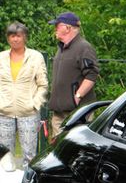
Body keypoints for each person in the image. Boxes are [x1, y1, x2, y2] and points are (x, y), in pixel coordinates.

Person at [0, 22, 48, 165]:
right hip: (4, 113)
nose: (15, 39)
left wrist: (35, 105)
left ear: (25, 37)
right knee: (4, 156)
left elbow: (43, 85)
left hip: (28, 113)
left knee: (30, 155)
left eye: (18, 36)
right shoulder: (1, 57)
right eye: (12, 36)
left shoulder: (35, 57)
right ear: (8, 38)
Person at [47, 12, 99, 138]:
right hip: (59, 114)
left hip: (78, 113)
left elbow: (92, 75)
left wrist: (78, 95)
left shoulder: (84, 47)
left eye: (57, 26)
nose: (55, 29)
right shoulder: (61, 48)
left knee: (78, 150)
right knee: (58, 151)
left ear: (68, 28)